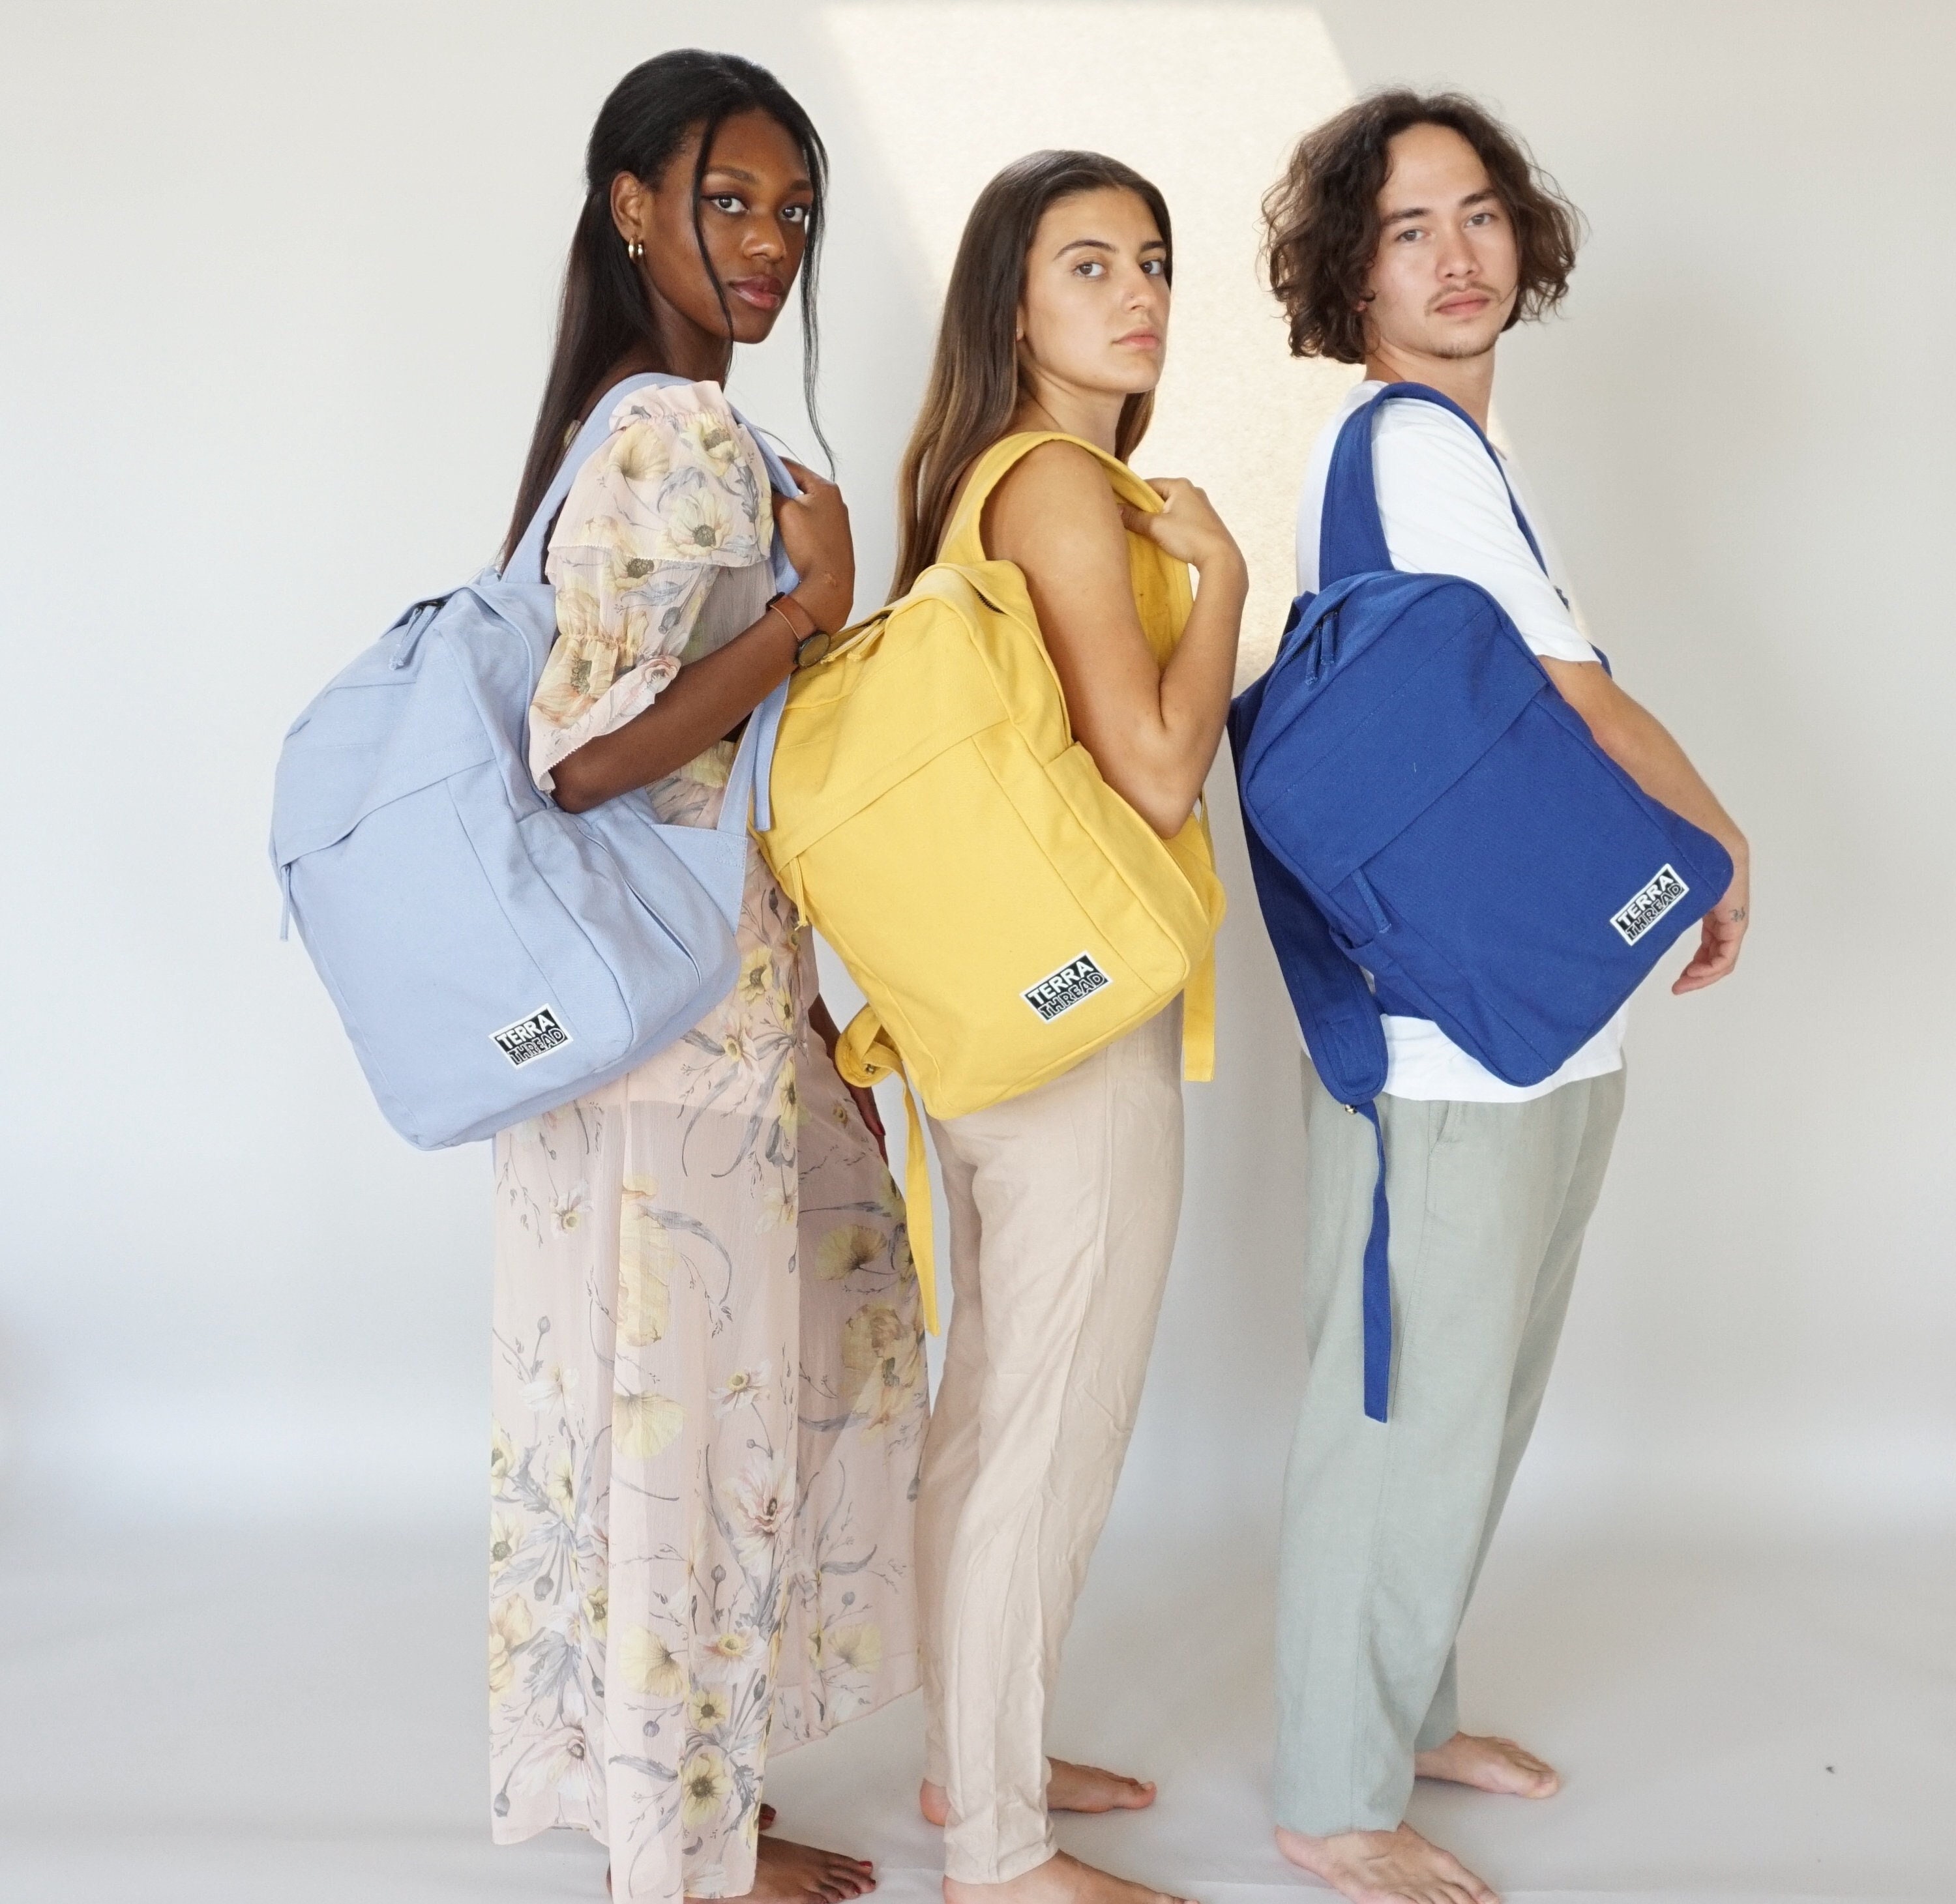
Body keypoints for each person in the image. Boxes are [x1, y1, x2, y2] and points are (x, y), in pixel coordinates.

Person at [1258, 91, 1751, 1904]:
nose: (1457, 255)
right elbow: (1573, 699)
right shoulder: (1408, 447)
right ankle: (1327, 1786)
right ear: (1348, 273)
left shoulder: (1466, 451)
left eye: (1477, 215)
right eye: (1408, 231)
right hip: (1449, 1038)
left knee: (1473, 1395)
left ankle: (1401, 1712)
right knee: (1398, 1408)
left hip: (1523, 1012)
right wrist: (1719, 841)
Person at [486, 51, 927, 1904]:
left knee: (648, 1431)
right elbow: (585, 757)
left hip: (639, 1029)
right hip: (679, 1045)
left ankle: (682, 1814)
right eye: (732, 201)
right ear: (634, 206)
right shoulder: (678, 431)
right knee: (699, 1435)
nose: (770, 244)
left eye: (795, 211)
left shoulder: (616, 417)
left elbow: (676, 768)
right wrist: (812, 615)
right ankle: (689, 1856)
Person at [892, 152, 1245, 1904]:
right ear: (1009, 307)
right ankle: (1007, 1859)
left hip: (992, 1016)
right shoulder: (1062, 490)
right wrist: (1228, 584)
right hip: (1080, 1022)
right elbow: (1162, 767)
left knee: (988, 1413)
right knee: (1051, 1423)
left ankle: (980, 1769)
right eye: (1087, 262)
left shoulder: (980, 485)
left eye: (1155, 260)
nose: (1137, 291)